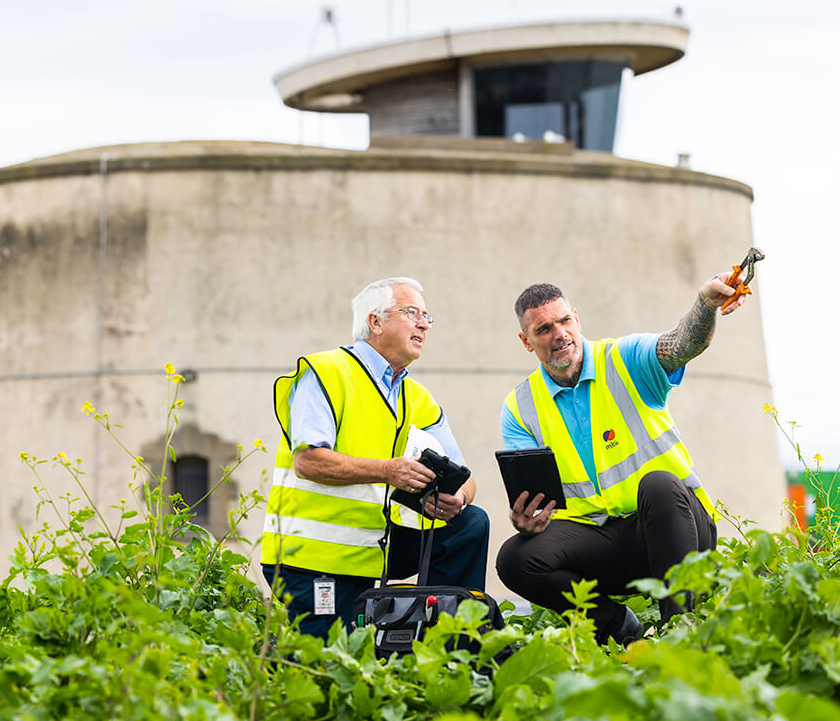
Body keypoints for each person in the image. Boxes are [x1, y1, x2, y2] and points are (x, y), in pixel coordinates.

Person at [495, 273, 750, 645]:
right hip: (602, 544)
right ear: (526, 341)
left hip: (679, 530)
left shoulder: (624, 358)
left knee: (659, 484)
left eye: (565, 321)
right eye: (544, 328)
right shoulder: (520, 408)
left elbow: (682, 344)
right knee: (514, 559)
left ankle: (677, 631)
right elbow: (534, 496)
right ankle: (617, 625)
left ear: (577, 318)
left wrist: (706, 303)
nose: (560, 334)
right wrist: (526, 521)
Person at [261, 277, 489, 639]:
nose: (423, 324)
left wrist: (455, 499)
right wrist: (388, 471)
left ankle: (445, 642)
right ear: (375, 321)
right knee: (327, 666)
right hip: (312, 559)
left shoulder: (418, 398)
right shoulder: (327, 372)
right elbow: (308, 461)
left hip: (376, 547)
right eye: (411, 312)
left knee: (469, 523)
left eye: (428, 316)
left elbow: (468, 481)